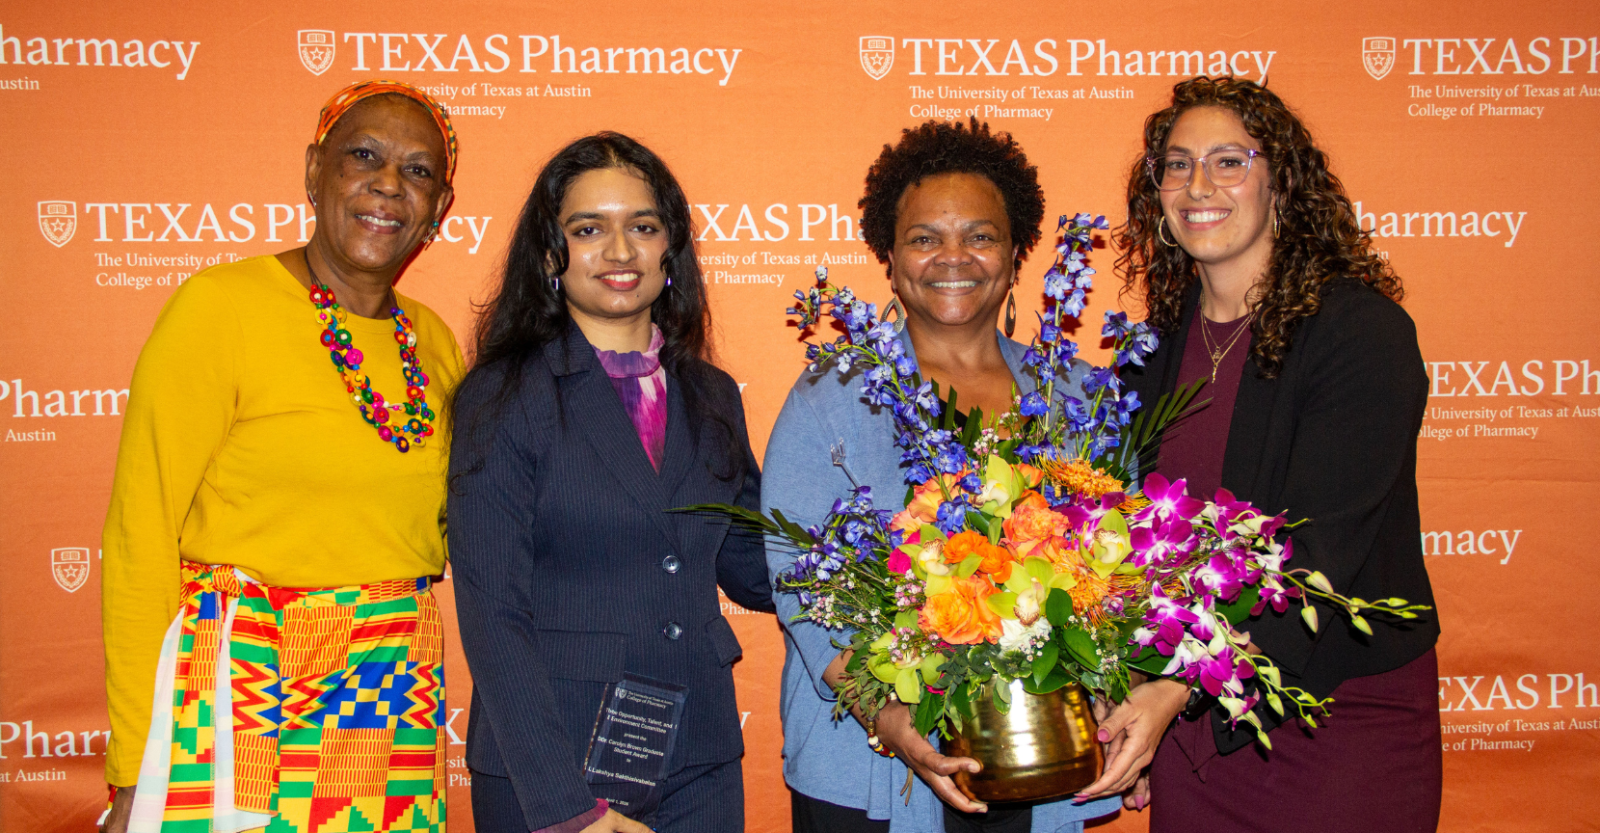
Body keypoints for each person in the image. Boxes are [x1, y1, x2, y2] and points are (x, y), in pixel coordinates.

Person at [99, 80, 463, 833]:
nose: (389, 184)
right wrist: (137, 765)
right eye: (362, 155)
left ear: (440, 207)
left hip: (385, 693)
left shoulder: (434, 342)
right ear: (312, 172)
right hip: (237, 687)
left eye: (418, 170)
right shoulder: (219, 308)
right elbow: (140, 538)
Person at [1082, 76, 1441, 831]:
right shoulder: (1149, 354)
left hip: (1333, 727)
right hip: (1193, 738)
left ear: (1281, 182)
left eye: (1227, 161)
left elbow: (1315, 555)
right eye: (1176, 164)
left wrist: (1171, 689)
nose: (1198, 184)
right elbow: (1119, 552)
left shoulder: (1359, 335)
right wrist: (1125, 695)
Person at [763, 118, 1121, 833]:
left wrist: (1118, 682)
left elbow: (1128, 568)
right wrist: (889, 714)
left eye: (979, 236)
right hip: (869, 766)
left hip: (1044, 757)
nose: (952, 257)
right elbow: (795, 577)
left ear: (1016, 253)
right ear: (889, 259)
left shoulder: (1078, 397)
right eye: (925, 238)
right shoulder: (827, 398)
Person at [447, 132, 774, 833]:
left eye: (643, 227)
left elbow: (757, 565)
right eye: (589, 229)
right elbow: (492, 612)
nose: (620, 251)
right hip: (554, 768)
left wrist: (908, 572)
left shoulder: (712, 393)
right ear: (549, 254)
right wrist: (567, 809)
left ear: (670, 250)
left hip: (700, 759)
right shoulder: (503, 395)